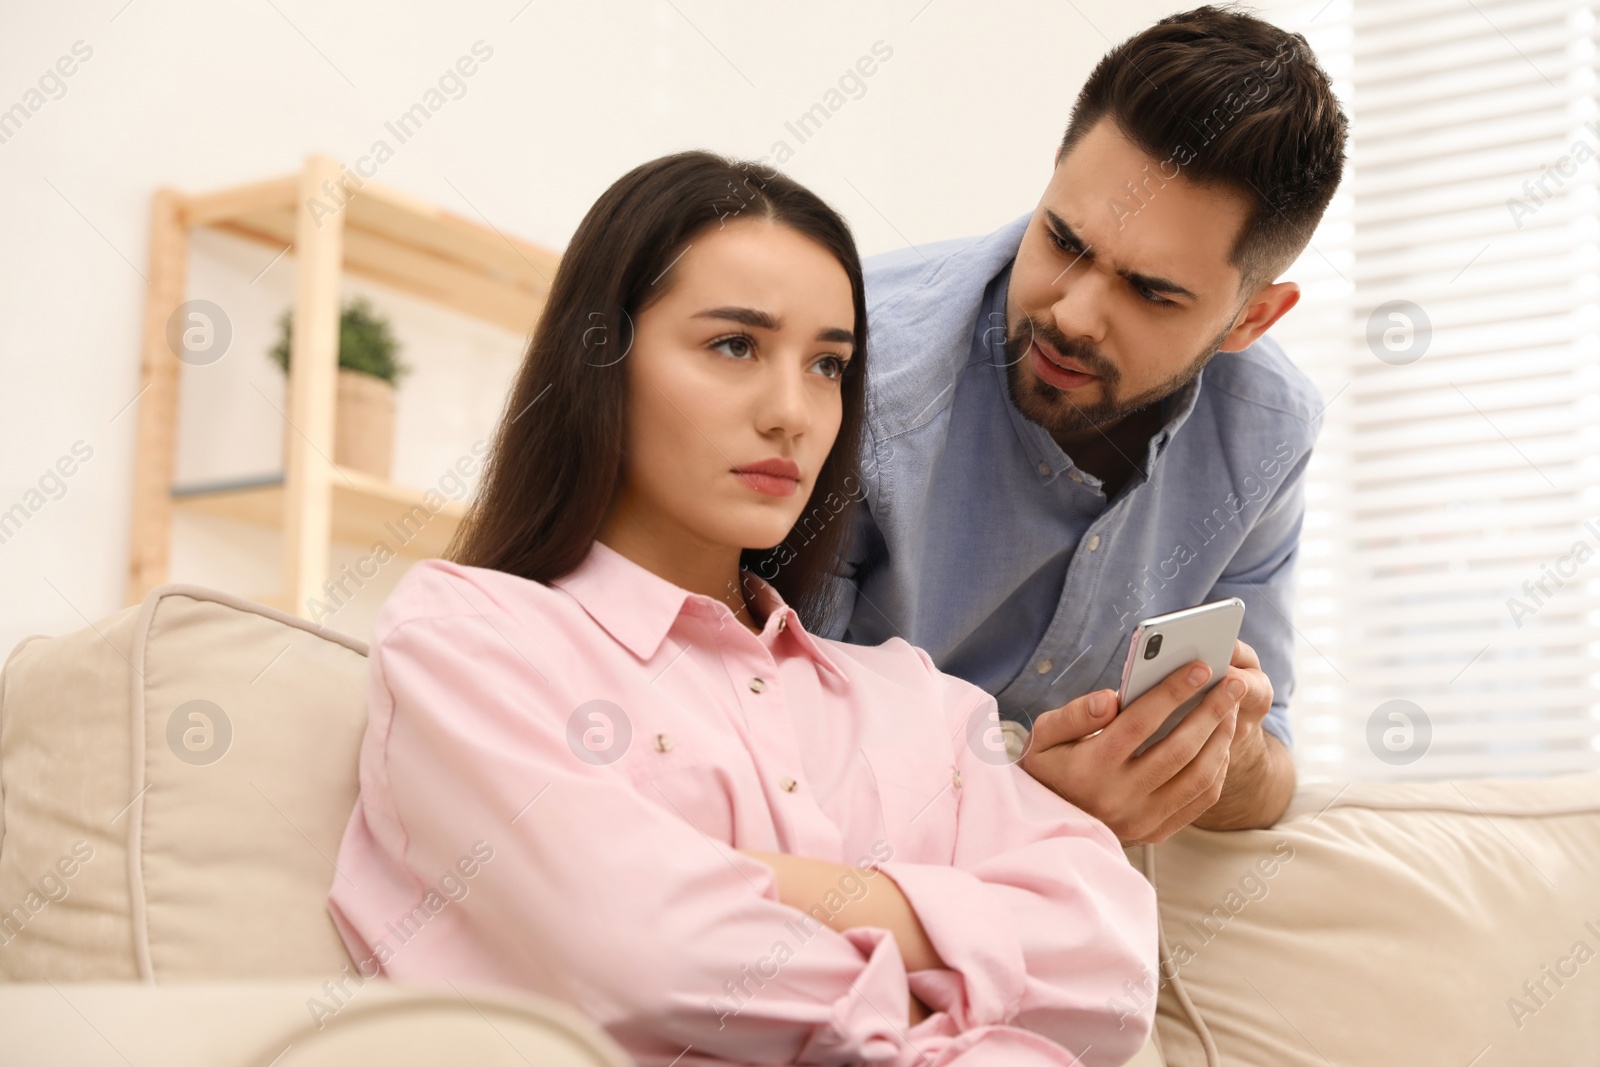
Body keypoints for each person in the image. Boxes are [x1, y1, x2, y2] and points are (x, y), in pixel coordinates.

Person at [328, 151, 1160, 1067]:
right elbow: (641, 952)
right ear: (600, 354)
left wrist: (765, 885)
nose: (792, 413)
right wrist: (940, 1006)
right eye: (735, 345)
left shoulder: (919, 700)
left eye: (829, 365)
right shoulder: (469, 640)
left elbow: (1113, 965)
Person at [819, 6, 1350, 844]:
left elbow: (1272, 764)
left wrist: (1222, 750)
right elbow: (771, 736)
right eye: (1064, 239)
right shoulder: (852, 369)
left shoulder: (1267, 432)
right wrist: (1021, 803)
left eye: (1150, 291)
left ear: (1251, 319)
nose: (1072, 313)